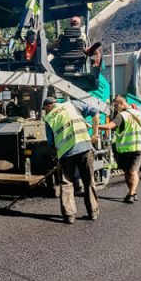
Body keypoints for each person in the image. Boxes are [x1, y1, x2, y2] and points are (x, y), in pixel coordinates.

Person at [43, 96, 100, 224]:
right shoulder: (73, 104)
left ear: (48, 106)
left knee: (67, 183)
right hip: (85, 146)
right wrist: (95, 134)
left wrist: (57, 152)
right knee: (88, 180)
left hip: (66, 153)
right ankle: (93, 212)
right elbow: (95, 112)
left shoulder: (49, 118)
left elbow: (51, 142)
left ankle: (69, 215)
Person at [98, 96, 141, 203]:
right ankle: (133, 192)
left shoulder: (122, 115)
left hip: (126, 148)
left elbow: (110, 126)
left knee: (132, 172)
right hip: (136, 147)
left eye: (116, 105)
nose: (116, 108)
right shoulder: (139, 114)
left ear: (121, 103)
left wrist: (95, 126)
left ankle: (131, 194)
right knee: (128, 172)